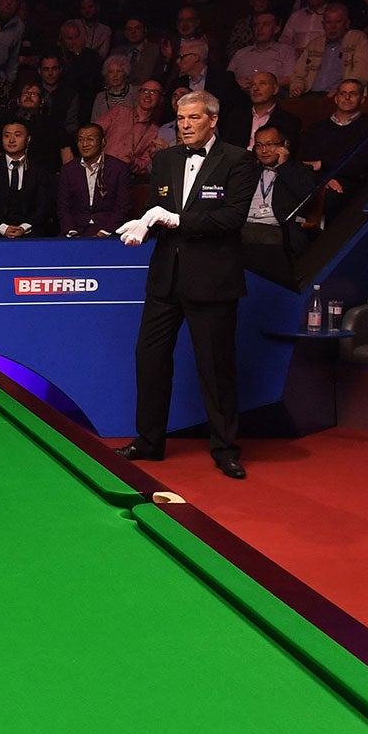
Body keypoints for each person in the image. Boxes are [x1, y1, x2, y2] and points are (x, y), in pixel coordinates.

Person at [114, 89, 256, 479]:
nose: (185, 125)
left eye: (194, 118)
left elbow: (231, 219)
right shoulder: (165, 159)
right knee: (150, 359)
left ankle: (225, 448)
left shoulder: (238, 160)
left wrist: (175, 220)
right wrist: (145, 224)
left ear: (212, 119)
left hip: (212, 281)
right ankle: (148, 440)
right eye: (180, 118)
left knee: (216, 368)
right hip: (165, 278)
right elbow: (158, 207)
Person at [240, 126, 315, 285]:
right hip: (244, 225)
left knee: (267, 240)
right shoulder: (248, 171)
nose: (264, 150)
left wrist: (283, 167)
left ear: (284, 145)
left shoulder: (299, 170)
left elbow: (308, 198)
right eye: (259, 145)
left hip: (278, 228)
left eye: (270, 144)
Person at [299, 78, 368, 213]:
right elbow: (306, 164)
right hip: (319, 181)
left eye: (353, 93)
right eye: (343, 93)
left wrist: (323, 164)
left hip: (356, 184)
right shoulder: (317, 128)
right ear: (336, 99)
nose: (347, 97)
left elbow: (364, 164)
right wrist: (324, 179)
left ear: (362, 99)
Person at [0, 118, 57, 238]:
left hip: (30, 230)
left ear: (28, 139)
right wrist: (3, 228)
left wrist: (24, 227)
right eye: (6, 136)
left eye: (17, 135)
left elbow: (44, 205)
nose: (11, 140)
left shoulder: (39, 170)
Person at [55, 123, 131, 237]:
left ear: (103, 142)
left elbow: (123, 206)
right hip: (76, 231)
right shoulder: (68, 170)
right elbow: (63, 206)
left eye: (90, 139)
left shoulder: (119, 168)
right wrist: (71, 231)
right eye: (80, 140)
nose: (84, 144)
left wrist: (105, 232)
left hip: (109, 230)